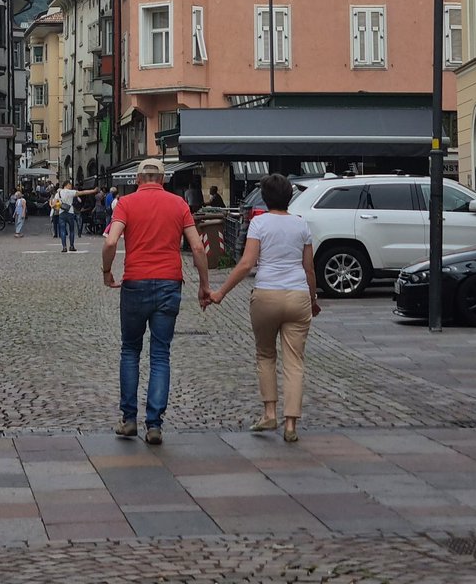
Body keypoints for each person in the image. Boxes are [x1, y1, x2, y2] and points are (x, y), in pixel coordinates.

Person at [203, 172, 321, 444]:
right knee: (295, 361)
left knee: (266, 355)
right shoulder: (301, 226)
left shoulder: (259, 223)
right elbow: (309, 269)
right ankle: (291, 424)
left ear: (265, 198)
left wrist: (220, 292)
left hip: (267, 294)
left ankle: (269, 412)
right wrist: (312, 300)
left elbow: (246, 265)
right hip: (297, 296)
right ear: (290, 197)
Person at [102, 158, 210, 446]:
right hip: (169, 283)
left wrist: (107, 271)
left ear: (138, 179)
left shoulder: (126, 203)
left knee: (130, 350)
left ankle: (128, 420)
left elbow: (111, 242)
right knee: (160, 354)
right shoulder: (178, 205)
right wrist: (204, 285)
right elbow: (197, 246)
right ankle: (154, 425)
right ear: (163, 180)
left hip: (135, 283)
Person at [57, 180, 97, 251]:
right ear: (67, 184)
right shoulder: (70, 192)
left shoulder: (59, 193)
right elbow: (82, 192)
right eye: (70, 184)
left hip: (61, 213)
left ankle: (64, 247)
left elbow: (54, 202)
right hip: (70, 212)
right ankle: (71, 246)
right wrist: (93, 191)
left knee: (62, 230)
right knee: (71, 230)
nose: (71, 186)